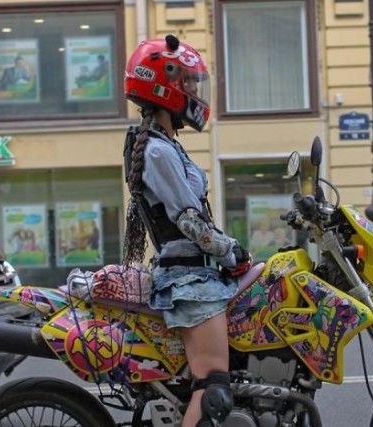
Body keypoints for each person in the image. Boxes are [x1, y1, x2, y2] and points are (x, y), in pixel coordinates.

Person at [122, 35, 250, 427]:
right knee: (212, 385)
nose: (195, 91)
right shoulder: (158, 152)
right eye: (190, 82)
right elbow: (189, 220)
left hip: (197, 272)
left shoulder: (165, 145)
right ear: (166, 85)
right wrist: (231, 250)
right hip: (190, 279)